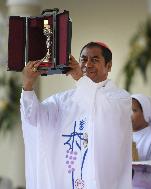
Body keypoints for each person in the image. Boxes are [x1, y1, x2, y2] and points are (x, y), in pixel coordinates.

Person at [20, 42, 132, 189]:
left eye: (95, 60)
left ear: (109, 66)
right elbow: (34, 119)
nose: (87, 64)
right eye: (84, 59)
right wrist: (28, 83)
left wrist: (80, 78)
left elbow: (100, 110)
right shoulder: (63, 100)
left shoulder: (120, 98)